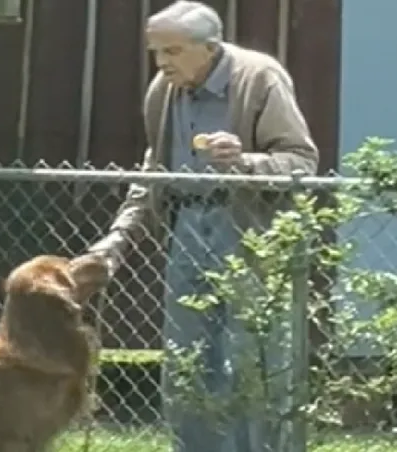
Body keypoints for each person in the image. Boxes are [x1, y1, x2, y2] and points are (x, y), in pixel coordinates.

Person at [86, 1, 318, 452]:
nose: (161, 63)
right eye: (156, 51)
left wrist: (246, 162)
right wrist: (119, 238)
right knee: (187, 361)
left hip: (251, 231)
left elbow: (302, 161)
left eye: (172, 51)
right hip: (188, 228)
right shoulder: (164, 90)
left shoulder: (259, 78)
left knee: (253, 359)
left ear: (210, 48)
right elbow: (154, 168)